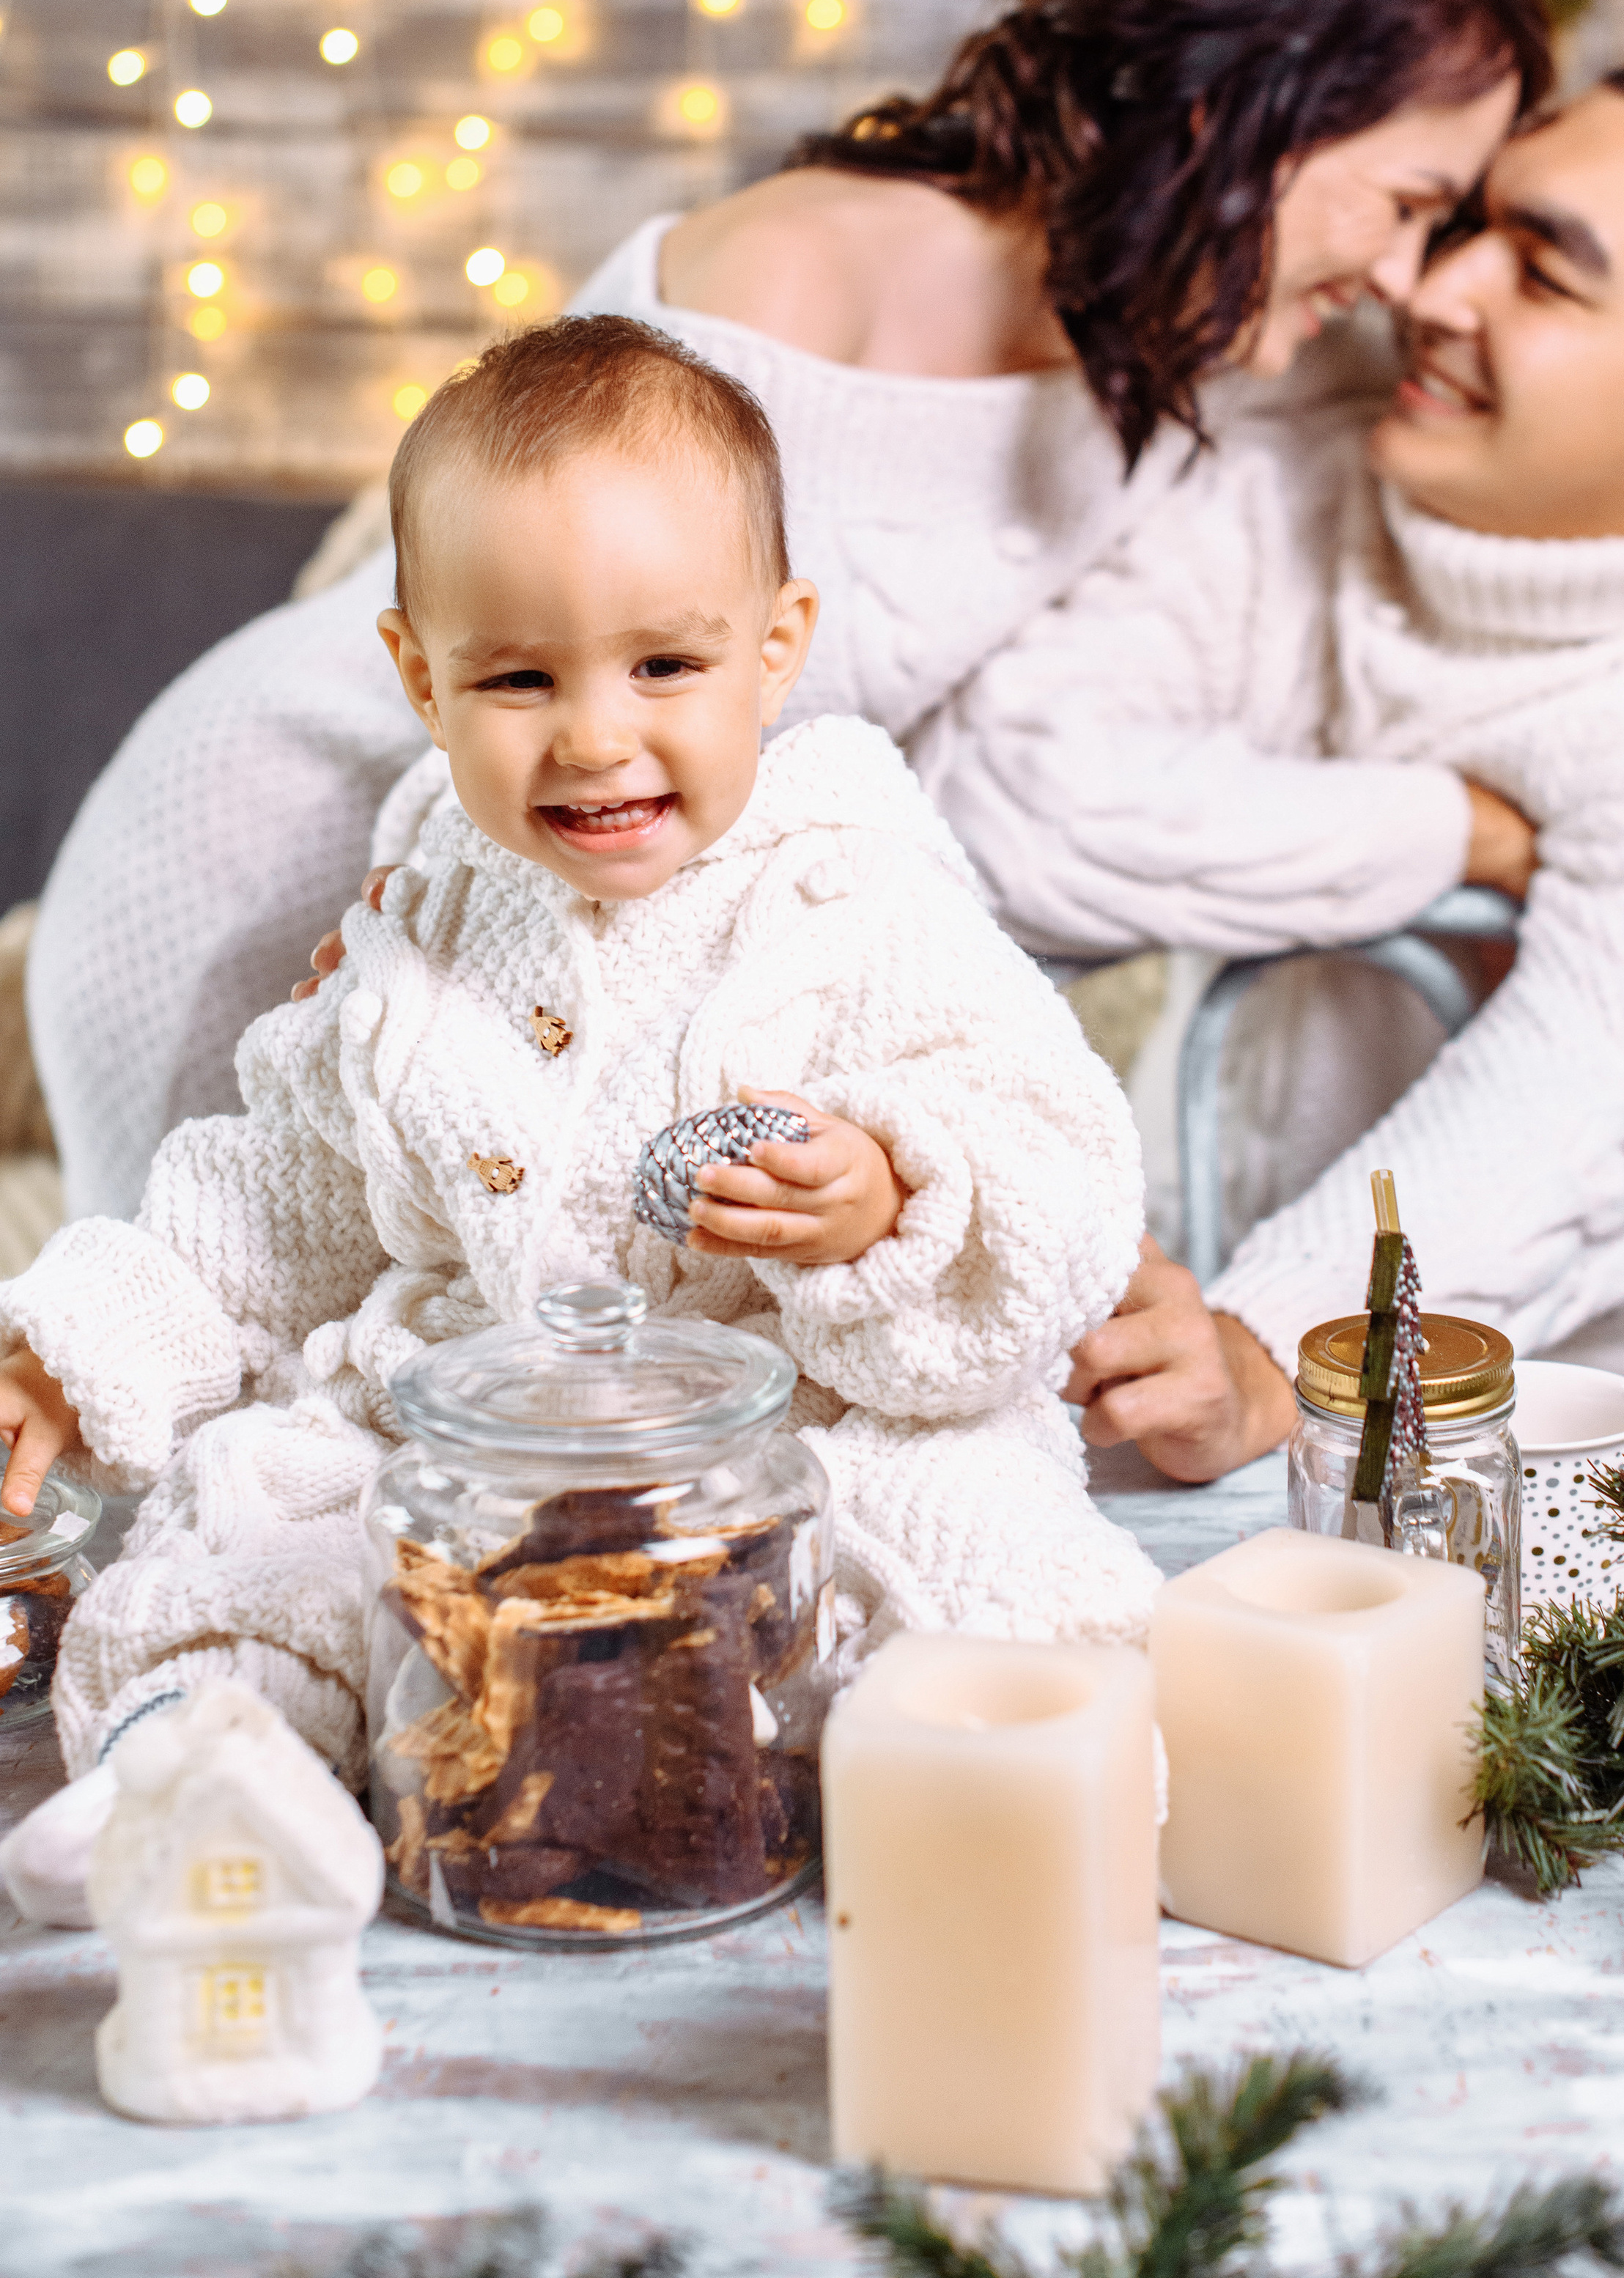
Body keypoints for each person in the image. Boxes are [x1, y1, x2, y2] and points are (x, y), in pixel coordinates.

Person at [29, 0, 1624, 1231]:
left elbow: (1582, 445)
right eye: (1402, 202)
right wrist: (405, 892)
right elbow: (522, 578)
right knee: (215, 1380)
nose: (1410, 278)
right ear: (1255, 116)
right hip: (310, 841)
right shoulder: (817, 272)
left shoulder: (1201, 349)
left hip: (535, 920)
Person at [0, 315, 1157, 1922]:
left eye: (665, 664)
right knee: (250, 1533)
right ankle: (196, 1786)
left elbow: (1056, 1145)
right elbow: (276, 1195)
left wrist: (892, 1195)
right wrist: (67, 1348)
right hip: (454, 1433)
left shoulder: (856, 888)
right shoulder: (421, 926)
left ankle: (989, 1808)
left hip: (802, 1430)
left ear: (775, 643)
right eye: (520, 677)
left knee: (969, 1547)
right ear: (420, 675)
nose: (597, 734)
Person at [941, 64, 1624, 1472]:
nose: (1434, 291)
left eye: (1548, 277)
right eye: (1470, 223)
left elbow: (1568, 1108)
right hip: (1211, 1312)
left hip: (1608, 1450)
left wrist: (1277, 1351)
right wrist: (1456, 832)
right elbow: (1005, 799)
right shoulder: (1320, 441)